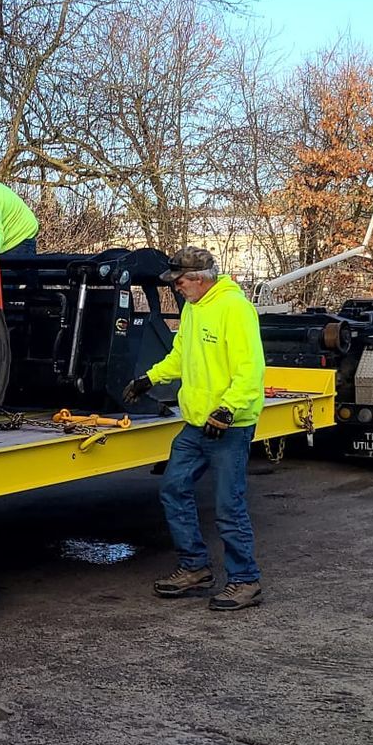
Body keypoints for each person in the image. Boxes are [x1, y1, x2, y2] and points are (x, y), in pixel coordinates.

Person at [123, 246, 266, 611]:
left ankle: (245, 581)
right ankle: (195, 569)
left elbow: (250, 371)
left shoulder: (235, 309)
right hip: (197, 424)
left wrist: (228, 410)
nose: (177, 289)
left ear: (201, 279)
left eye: (181, 282)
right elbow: (180, 356)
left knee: (228, 507)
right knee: (173, 489)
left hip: (229, 428)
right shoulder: (192, 308)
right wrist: (149, 379)